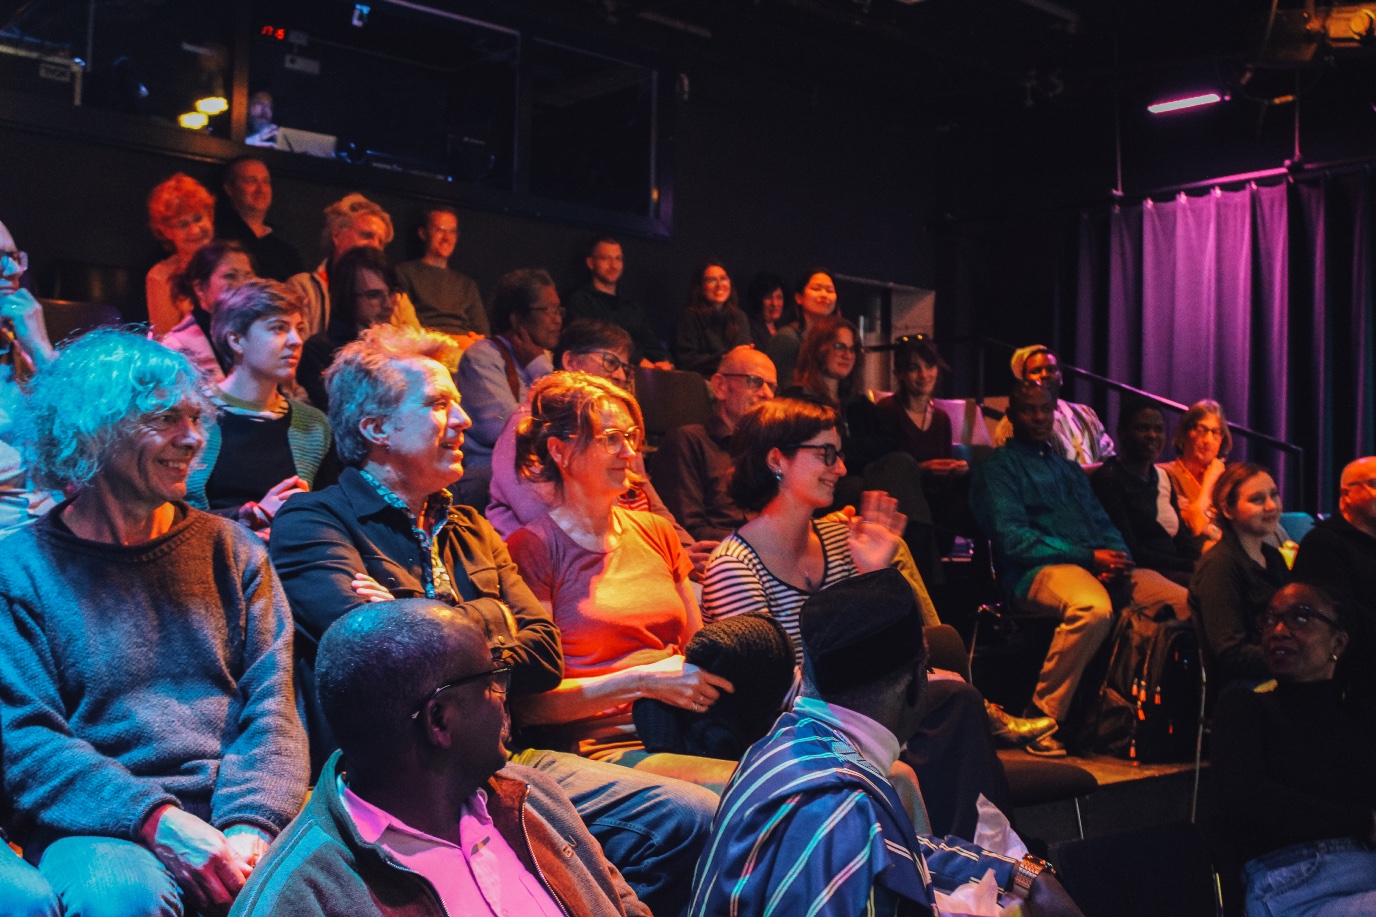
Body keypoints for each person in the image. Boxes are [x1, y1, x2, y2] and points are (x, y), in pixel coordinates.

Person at [269, 324, 716, 915]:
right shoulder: (313, 522)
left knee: (692, 819)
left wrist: (427, 620)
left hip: (507, 758)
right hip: (404, 781)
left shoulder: (472, 527)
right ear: (375, 429)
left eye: (458, 401)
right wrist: (491, 619)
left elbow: (544, 655)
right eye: (436, 404)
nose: (464, 421)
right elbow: (384, 660)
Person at [0, 329, 308, 917]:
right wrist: (154, 821)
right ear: (93, 429)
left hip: (233, 813)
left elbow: (272, 713)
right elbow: (26, 742)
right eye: (165, 418)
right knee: (121, 895)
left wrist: (251, 826)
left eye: (196, 417)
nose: (192, 439)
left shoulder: (234, 551)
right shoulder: (18, 571)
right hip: (98, 823)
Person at [701, 396, 1047, 836]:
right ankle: (977, 860)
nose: (841, 468)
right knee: (950, 703)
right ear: (776, 460)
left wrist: (875, 573)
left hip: (863, 718)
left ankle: (969, 860)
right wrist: (899, 689)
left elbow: (902, 652)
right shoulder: (735, 565)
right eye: (826, 454)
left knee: (947, 700)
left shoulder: (839, 541)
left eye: (839, 454)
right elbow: (771, 696)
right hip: (794, 735)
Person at [688, 569, 1083, 917]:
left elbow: (898, 847)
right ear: (916, 681)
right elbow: (862, 847)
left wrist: (1023, 873)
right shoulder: (843, 813)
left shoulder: (789, 746)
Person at [228, 598, 652, 917]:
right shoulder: (300, 897)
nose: (504, 701)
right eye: (492, 681)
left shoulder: (534, 798)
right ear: (439, 720)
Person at [505, 372, 735, 762]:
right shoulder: (533, 548)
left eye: (630, 437)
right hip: (600, 745)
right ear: (559, 452)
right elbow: (530, 705)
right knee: (731, 795)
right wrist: (643, 682)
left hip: (683, 729)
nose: (629, 453)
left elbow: (696, 651)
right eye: (610, 438)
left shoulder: (656, 531)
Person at [971, 380, 1189, 754]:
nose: (1039, 417)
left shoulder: (1067, 470)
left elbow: (1103, 523)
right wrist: (1088, 558)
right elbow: (1014, 540)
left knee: (1187, 602)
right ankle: (1042, 718)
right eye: (1029, 409)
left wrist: (1116, 560)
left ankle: (1181, 716)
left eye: (1045, 409)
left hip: (1095, 565)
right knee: (1092, 608)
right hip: (1034, 572)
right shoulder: (998, 468)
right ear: (1011, 415)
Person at [1211, 582, 1376, 916]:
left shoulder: (1357, 718)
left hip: (1365, 871)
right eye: (1270, 620)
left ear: (1338, 643)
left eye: (1300, 618)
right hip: (1294, 884)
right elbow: (1248, 799)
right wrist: (1363, 823)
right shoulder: (1245, 706)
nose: (1279, 631)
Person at [486, 320, 696, 553]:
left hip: (640, 551)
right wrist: (656, 555)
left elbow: (652, 504)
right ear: (570, 362)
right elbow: (553, 521)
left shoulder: (620, 427)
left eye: (625, 369)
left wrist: (683, 549)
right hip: (565, 561)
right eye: (610, 362)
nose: (619, 376)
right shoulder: (532, 425)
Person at [185, 279, 334, 535]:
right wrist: (248, 519)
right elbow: (170, 514)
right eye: (278, 328)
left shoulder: (313, 425)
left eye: (299, 328)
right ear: (236, 340)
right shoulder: (191, 416)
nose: (296, 340)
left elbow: (330, 514)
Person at [456, 268, 562, 508]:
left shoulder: (540, 359)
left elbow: (564, 418)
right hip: (486, 477)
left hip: (529, 474)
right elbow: (503, 430)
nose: (557, 319)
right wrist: (539, 367)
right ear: (517, 318)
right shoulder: (483, 356)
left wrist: (538, 365)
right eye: (548, 310)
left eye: (559, 310)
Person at [651, 345, 777, 542]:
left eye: (772, 386)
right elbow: (686, 529)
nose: (767, 394)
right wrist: (761, 543)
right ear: (720, 386)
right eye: (755, 381)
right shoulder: (688, 442)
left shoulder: (769, 452)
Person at [1188, 462, 1289, 688]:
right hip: (1241, 689)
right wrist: (1295, 658)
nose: (1272, 506)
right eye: (1257, 499)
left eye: (1274, 495)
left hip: (1276, 673)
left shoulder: (1273, 557)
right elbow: (1230, 653)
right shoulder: (1220, 566)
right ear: (1227, 509)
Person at [1091, 397, 1202, 587]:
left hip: (1174, 568)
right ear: (1122, 433)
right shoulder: (1108, 479)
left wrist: (1201, 564)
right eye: (1143, 429)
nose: (1152, 435)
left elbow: (1183, 539)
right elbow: (1131, 549)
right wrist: (1190, 565)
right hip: (1140, 571)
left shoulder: (1163, 477)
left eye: (1158, 429)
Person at [1294, 456, 1376, 699]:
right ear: (1346, 495)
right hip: (1350, 674)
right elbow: (1338, 619)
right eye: (1374, 483)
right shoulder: (1324, 544)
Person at [0, 219, 59, 538]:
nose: (11, 271)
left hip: (48, 529)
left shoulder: (18, 350)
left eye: (14, 256)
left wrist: (41, 350)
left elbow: (94, 441)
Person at [296, 246, 410, 410]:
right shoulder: (319, 350)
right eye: (374, 295)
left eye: (392, 292)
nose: (388, 304)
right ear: (347, 297)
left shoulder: (403, 347)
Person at [286, 192, 404, 336]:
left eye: (381, 242)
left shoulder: (397, 298)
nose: (374, 246)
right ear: (336, 236)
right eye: (367, 235)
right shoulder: (303, 288)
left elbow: (416, 350)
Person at [992, 345, 1115, 467]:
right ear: (1024, 381)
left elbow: (1108, 455)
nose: (1045, 375)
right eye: (1036, 371)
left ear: (1061, 377)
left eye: (1051, 369)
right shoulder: (1013, 424)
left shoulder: (1085, 412)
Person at [160, 239, 257, 384]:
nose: (242, 285)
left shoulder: (259, 334)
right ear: (199, 288)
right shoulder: (176, 347)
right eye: (230, 276)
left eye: (248, 276)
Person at [565, 236, 671, 368]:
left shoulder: (632, 308)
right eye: (605, 258)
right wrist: (639, 361)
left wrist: (664, 361)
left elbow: (652, 345)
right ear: (591, 263)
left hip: (642, 376)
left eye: (618, 259)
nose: (613, 265)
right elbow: (594, 343)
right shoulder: (581, 301)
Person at [395, 204, 489, 345]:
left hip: (466, 352)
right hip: (425, 351)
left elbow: (483, 334)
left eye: (452, 231)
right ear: (423, 233)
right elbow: (404, 327)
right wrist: (453, 340)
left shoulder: (467, 284)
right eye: (440, 230)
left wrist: (477, 342)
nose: (447, 237)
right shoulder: (404, 273)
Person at [145, 173, 215, 337]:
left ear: (210, 216)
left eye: (198, 218)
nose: (194, 230)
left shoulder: (233, 262)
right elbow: (165, 341)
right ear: (166, 232)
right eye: (183, 224)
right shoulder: (161, 276)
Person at [215, 156, 304, 282]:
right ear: (229, 188)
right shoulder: (217, 239)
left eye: (266, 182)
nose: (261, 189)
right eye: (251, 181)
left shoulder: (287, 253)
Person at [1162, 399, 1231, 542]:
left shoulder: (1227, 480)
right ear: (1184, 432)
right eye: (1202, 430)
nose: (1208, 440)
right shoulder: (1165, 474)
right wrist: (1209, 484)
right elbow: (1194, 526)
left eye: (1216, 432)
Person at [673, 261, 753, 377]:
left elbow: (743, 353)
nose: (720, 285)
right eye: (712, 280)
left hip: (733, 378)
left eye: (723, 279)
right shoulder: (689, 316)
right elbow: (686, 360)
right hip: (700, 379)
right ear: (700, 287)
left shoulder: (739, 316)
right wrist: (725, 357)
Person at [766, 268, 838, 389]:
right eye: (816, 289)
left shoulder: (835, 340)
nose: (824, 295)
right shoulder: (787, 338)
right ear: (799, 298)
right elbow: (781, 389)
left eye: (830, 290)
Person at [742, 271, 791, 349]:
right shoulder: (748, 327)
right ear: (758, 299)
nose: (774, 303)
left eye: (779, 297)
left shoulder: (785, 328)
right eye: (768, 297)